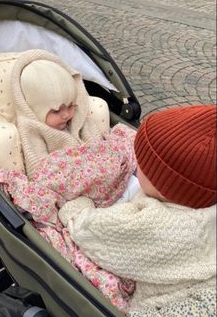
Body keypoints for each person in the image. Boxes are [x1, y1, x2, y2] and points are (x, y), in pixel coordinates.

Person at [58, 105, 216, 314]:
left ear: (164, 188)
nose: (136, 164)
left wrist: (76, 209)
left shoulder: (156, 225)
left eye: (141, 164)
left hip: (167, 304)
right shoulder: (204, 200)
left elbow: (93, 234)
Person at [11, 49, 104, 178]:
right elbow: (39, 168)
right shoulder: (31, 128)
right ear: (35, 110)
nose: (66, 115)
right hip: (62, 176)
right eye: (56, 111)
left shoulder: (76, 119)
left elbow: (95, 142)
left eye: (70, 105)